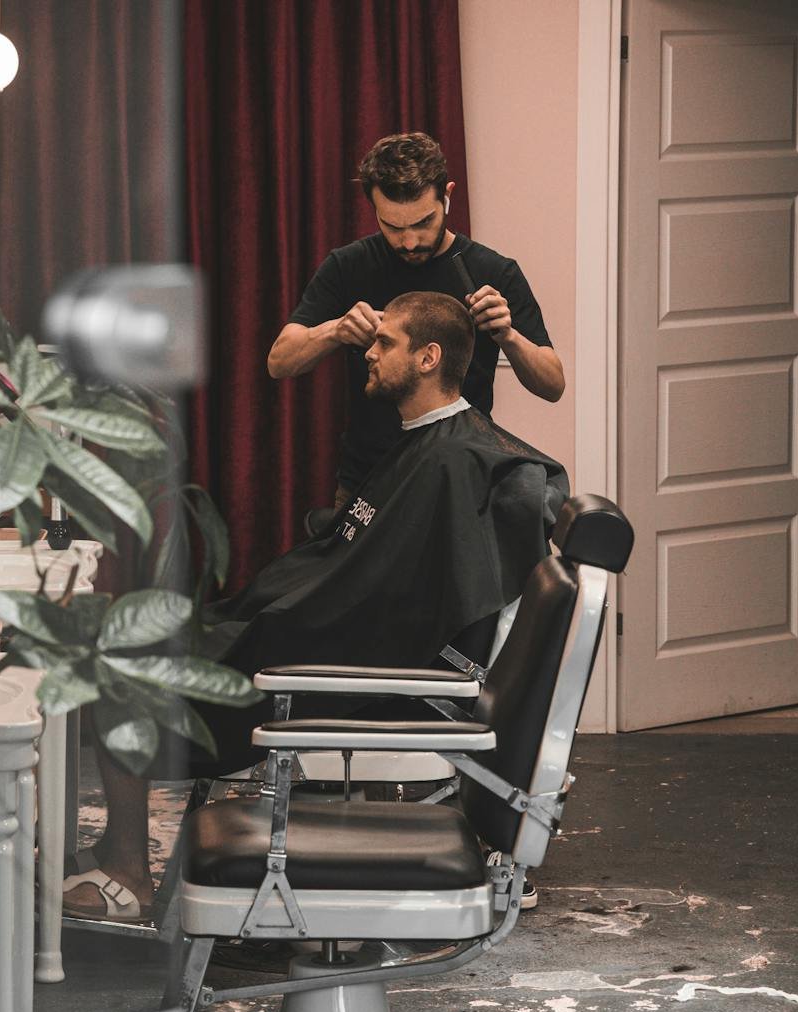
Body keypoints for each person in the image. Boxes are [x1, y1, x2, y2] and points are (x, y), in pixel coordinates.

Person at [62, 291, 567, 920]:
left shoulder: (458, 462)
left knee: (121, 670)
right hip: (322, 633)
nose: (370, 353)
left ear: (428, 357)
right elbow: (361, 571)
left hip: (347, 667)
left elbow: (396, 604)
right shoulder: (429, 443)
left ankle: (129, 876)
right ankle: (116, 844)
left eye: (386, 343)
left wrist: (263, 623)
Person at [268, 131, 565, 507]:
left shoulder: (494, 271)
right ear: (374, 208)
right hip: (367, 484)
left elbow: (552, 384)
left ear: (448, 196)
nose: (409, 241)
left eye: (423, 222)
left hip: (461, 483)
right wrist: (335, 329)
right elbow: (279, 361)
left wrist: (508, 336)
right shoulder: (347, 266)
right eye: (393, 226)